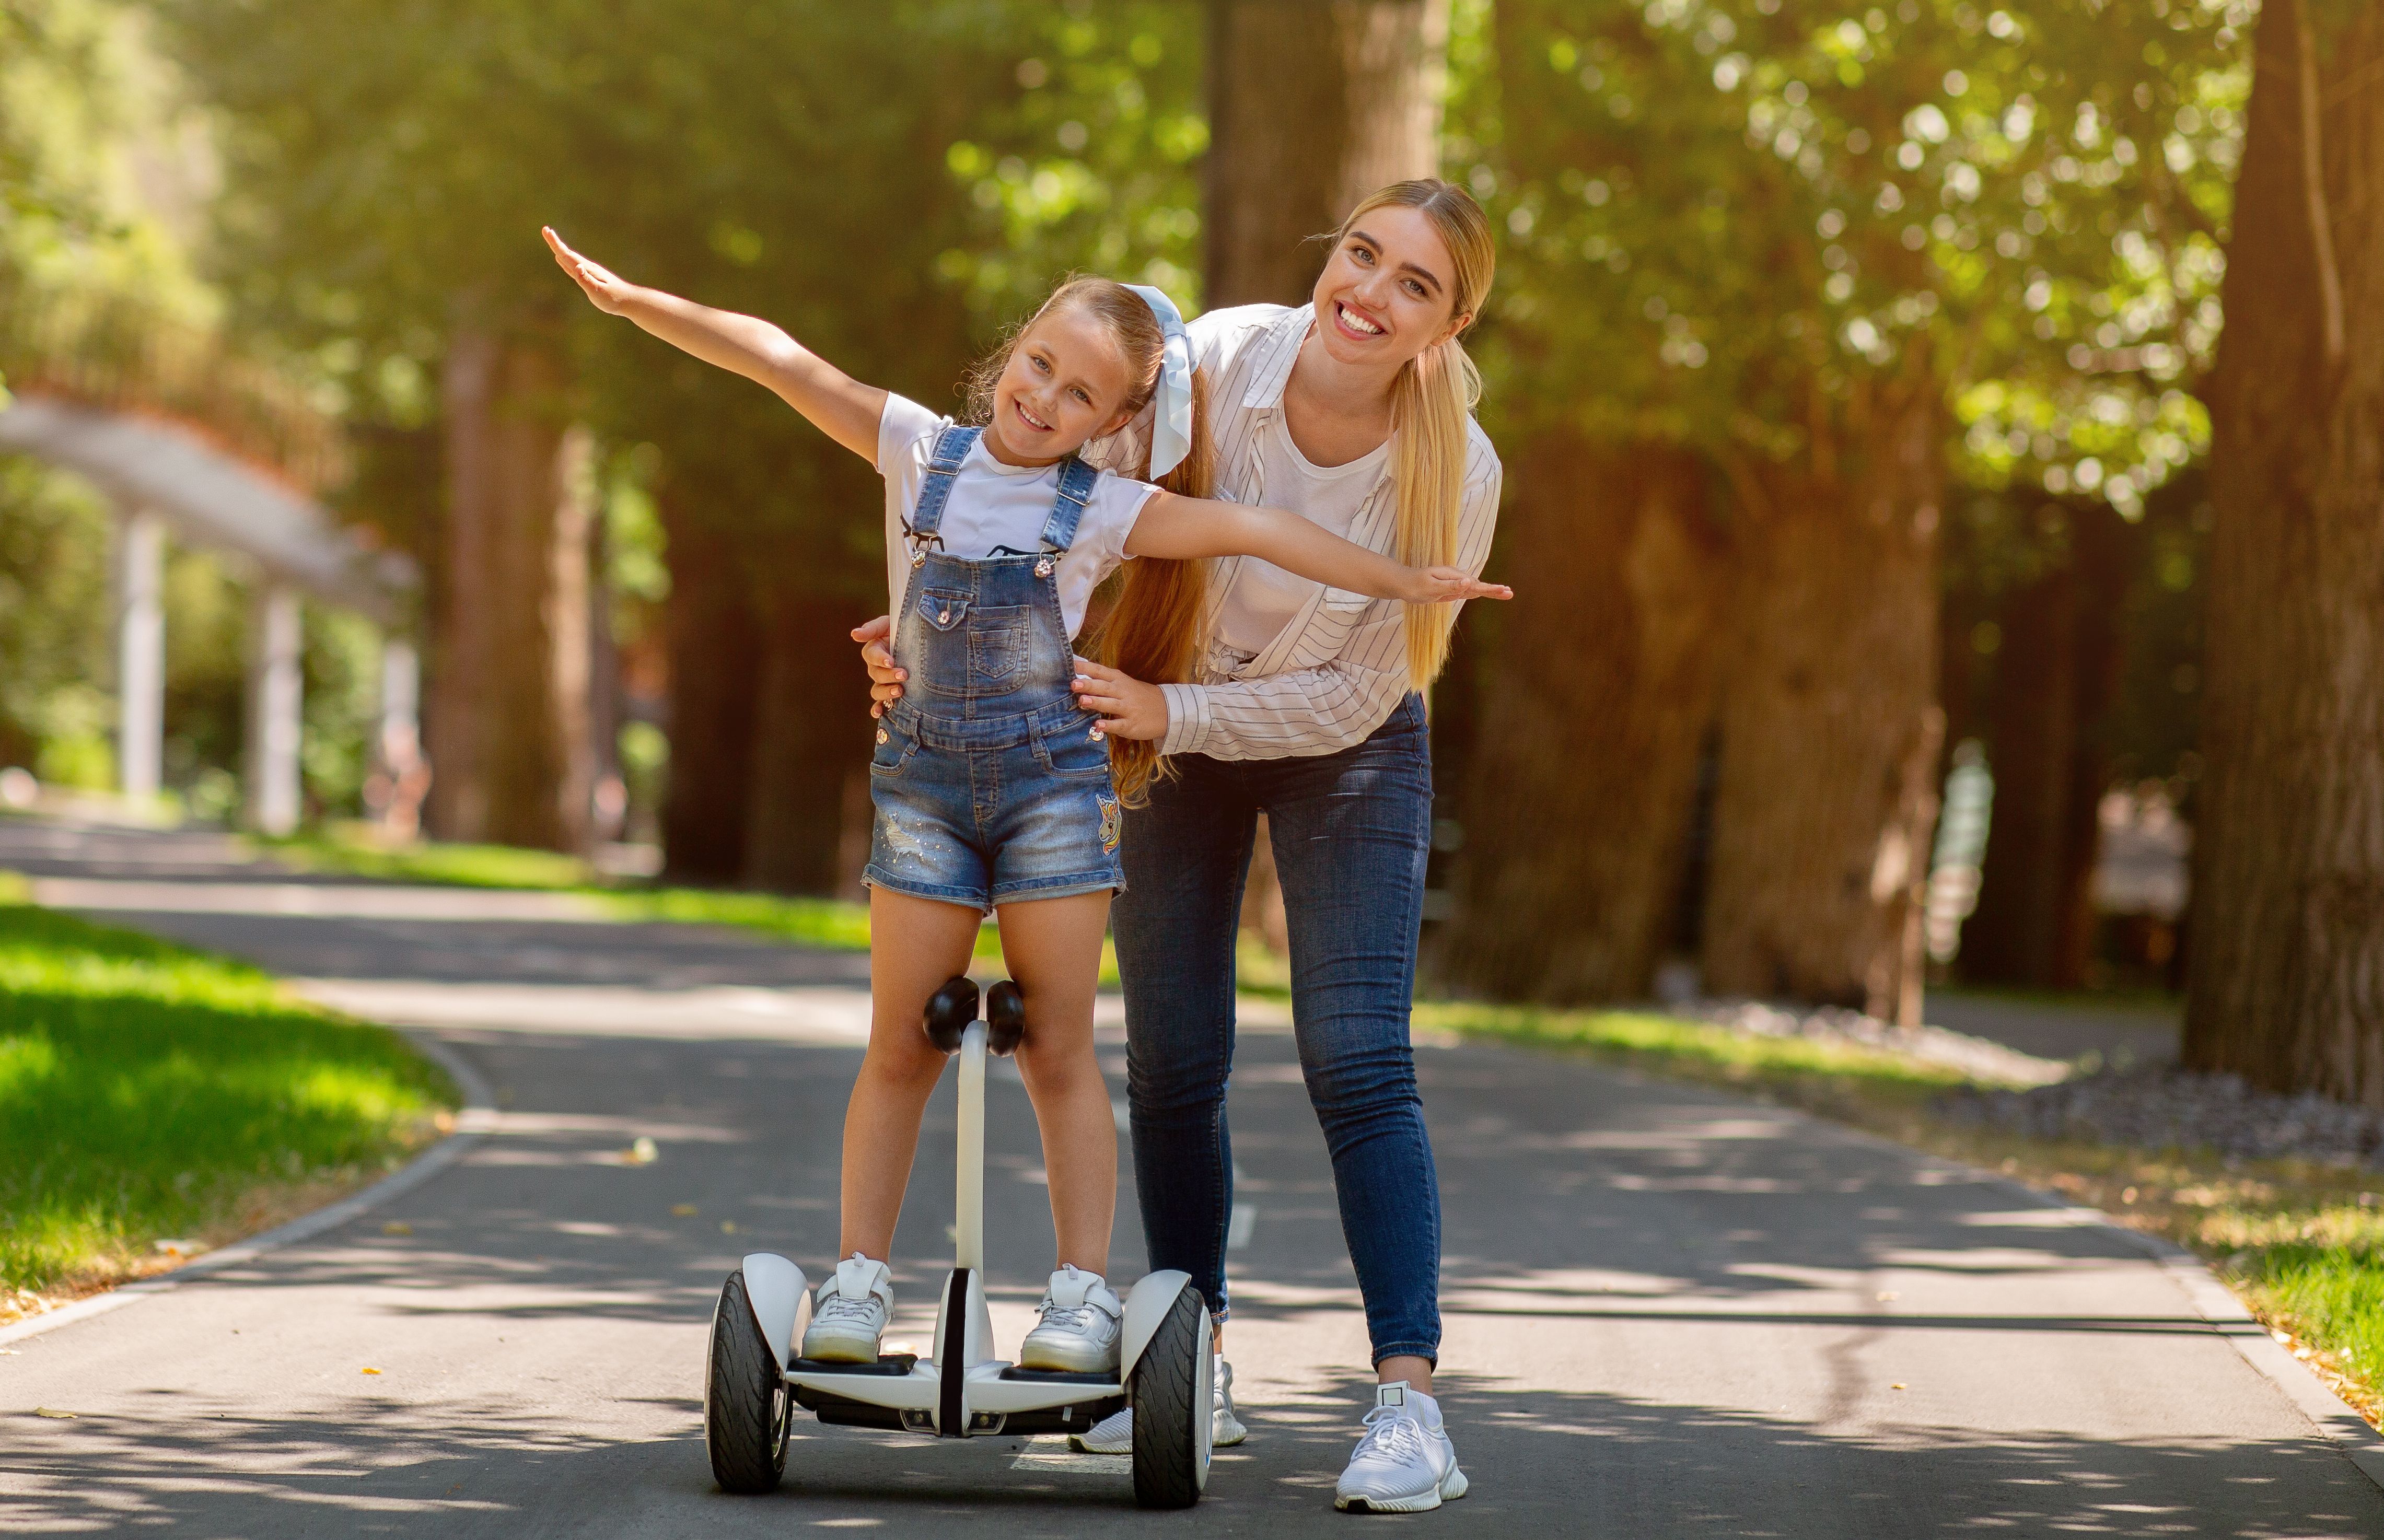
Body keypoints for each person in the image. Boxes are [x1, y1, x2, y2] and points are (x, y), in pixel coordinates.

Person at [544, 228, 1507, 1382]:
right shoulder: (923, 447)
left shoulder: (1108, 506)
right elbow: (783, 364)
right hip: (927, 795)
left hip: (1079, 794)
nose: (1046, 397)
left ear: (1114, 425)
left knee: (1078, 1044)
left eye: (1082, 393)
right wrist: (636, 299)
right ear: (1012, 348)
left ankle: (1091, 1298)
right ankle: (861, 1277)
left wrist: (1406, 580)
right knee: (917, 1040)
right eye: (1039, 364)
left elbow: (1261, 533)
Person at [857, 179, 1501, 1513]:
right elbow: (1039, 472)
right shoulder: (1206, 365)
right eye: (1362, 254)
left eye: (1413, 286)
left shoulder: (1456, 473)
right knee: (1175, 1061)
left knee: (1359, 1056)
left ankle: (1407, 1404)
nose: (1368, 295)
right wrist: (935, 628)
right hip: (1158, 729)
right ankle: (1186, 1355)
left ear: (1446, 325)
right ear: (1332, 254)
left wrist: (1175, 707)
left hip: (1346, 747)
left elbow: (1353, 691)